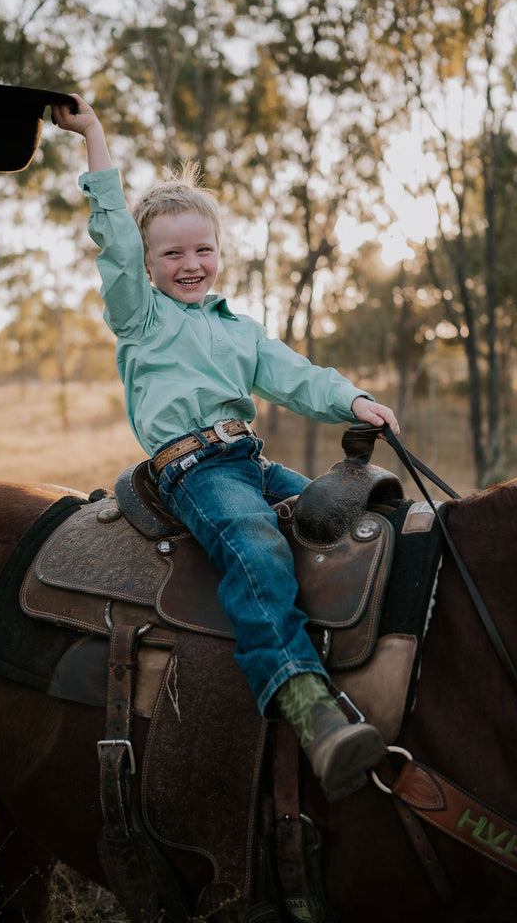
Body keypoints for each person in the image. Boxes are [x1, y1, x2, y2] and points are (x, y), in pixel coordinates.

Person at [53, 94, 400, 802]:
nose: (190, 263)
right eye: (171, 253)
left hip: (250, 459)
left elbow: (295, 376)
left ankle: (383, 674)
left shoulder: (238, 329)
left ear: (220, 253)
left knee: (354, 519)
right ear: (147, 265)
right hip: (190, 470)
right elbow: (114, 239)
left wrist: (354, 400)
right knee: (253, 544)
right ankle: (300, 699)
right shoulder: (142, 318)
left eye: (202, 249)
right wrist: (93, 135)